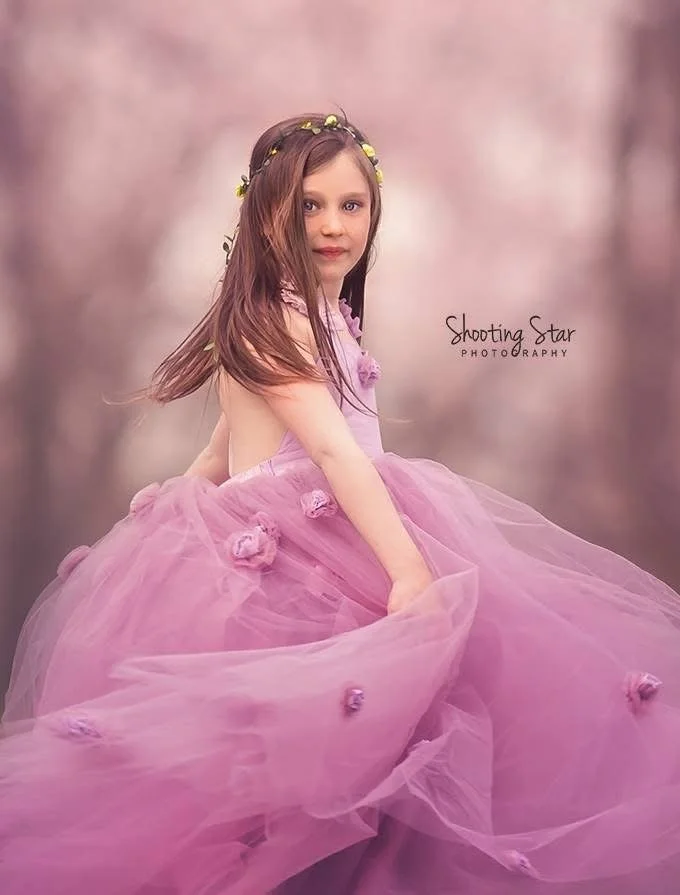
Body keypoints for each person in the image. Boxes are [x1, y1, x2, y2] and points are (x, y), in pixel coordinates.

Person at [1, 112, 679, 895]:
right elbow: (328, 449)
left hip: (334, 534)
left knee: (385, 768)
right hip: (300, 565)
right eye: (310, 206)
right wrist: (407, 569)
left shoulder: (319, 317)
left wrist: (192, 484)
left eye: (350, 206)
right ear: (266, 215)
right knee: (296, 788)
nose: (332, 225)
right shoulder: (271, 322)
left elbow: (226, 445)